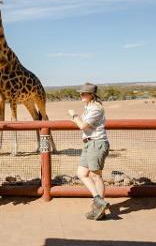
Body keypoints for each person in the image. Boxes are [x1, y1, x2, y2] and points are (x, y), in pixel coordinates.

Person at [68, 82, 110, 220]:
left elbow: (82, 125)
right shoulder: (89, 107)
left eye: (84, 93)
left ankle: (100, 210)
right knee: (81, 173)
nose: (81, 95)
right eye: (81, 93)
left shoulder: (96, 109)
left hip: (96, 144)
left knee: (96, 175)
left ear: (91, 95)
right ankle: (98, 200)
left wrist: (74, 116)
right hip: (88, 144)